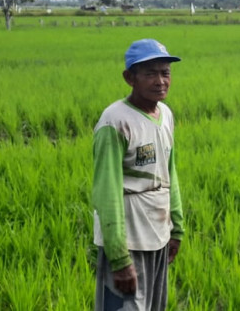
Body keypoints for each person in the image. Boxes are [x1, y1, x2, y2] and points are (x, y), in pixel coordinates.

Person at [93, 38, 185, 311]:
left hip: (158, 231)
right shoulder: (115, 121)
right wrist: (119, 260)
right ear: (129, 78)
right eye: (150, 73)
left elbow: (169, 174)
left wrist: (176, 228)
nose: (160, 81)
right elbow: (106, 192)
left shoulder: (165, 114)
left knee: (155, 306)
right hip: (128, 237)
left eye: (165, 72)